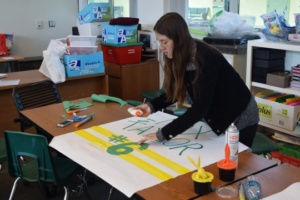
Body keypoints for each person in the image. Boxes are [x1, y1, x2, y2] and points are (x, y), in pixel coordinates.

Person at [136, 12, 259, 147]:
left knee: (237, 162)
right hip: (220, 117)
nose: (161, 47)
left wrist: (164, 133)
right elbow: (177, 91)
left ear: (179, 39)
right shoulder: (179, 56)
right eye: (159, 42)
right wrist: (151, 106)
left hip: (241, 116)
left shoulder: (207, 58)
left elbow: (200, 107)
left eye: (164, 42)